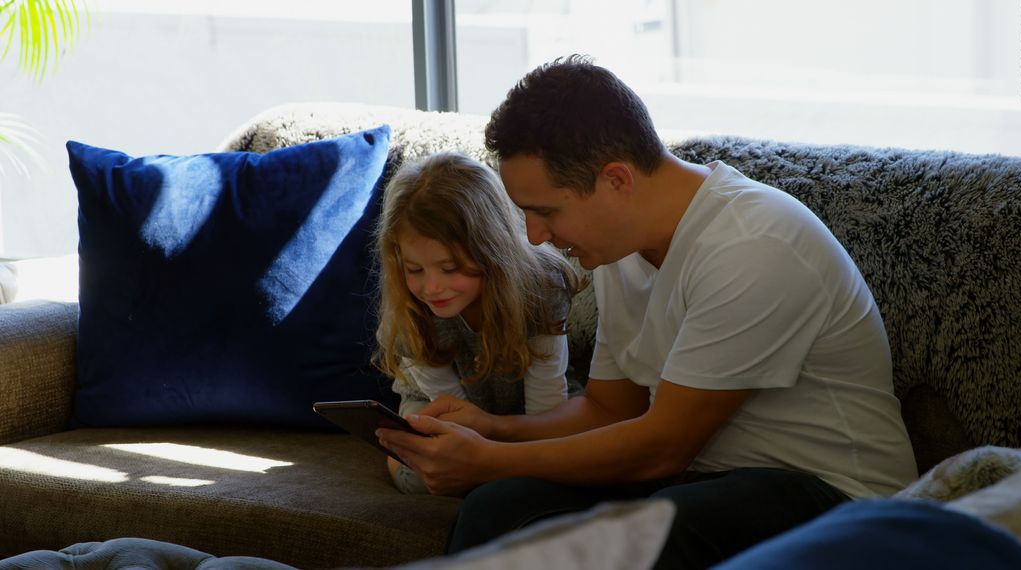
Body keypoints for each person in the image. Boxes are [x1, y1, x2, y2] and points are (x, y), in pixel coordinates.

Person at [377, 55, 918, 568]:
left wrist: (488, 460)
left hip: (831, 497)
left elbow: (663, 445)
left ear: (616, 180)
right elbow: (608, 411)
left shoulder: (753, 243)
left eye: (545, 212)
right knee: (501, 506)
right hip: (701, 479)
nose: (536, 237)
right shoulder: (617, 250)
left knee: (640, 536)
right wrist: (495, 430)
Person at [372, 151, 582, 495]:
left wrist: (516, 452)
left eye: (450, 268)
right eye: (415, 270)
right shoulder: (409, 308)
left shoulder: (541, 285)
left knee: (571, 443)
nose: (432, 287)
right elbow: (451, 407)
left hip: (536, 406)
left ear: (492, 250)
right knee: (427, 475)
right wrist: (468, 449)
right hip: (437, 404)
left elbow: (548, 398)